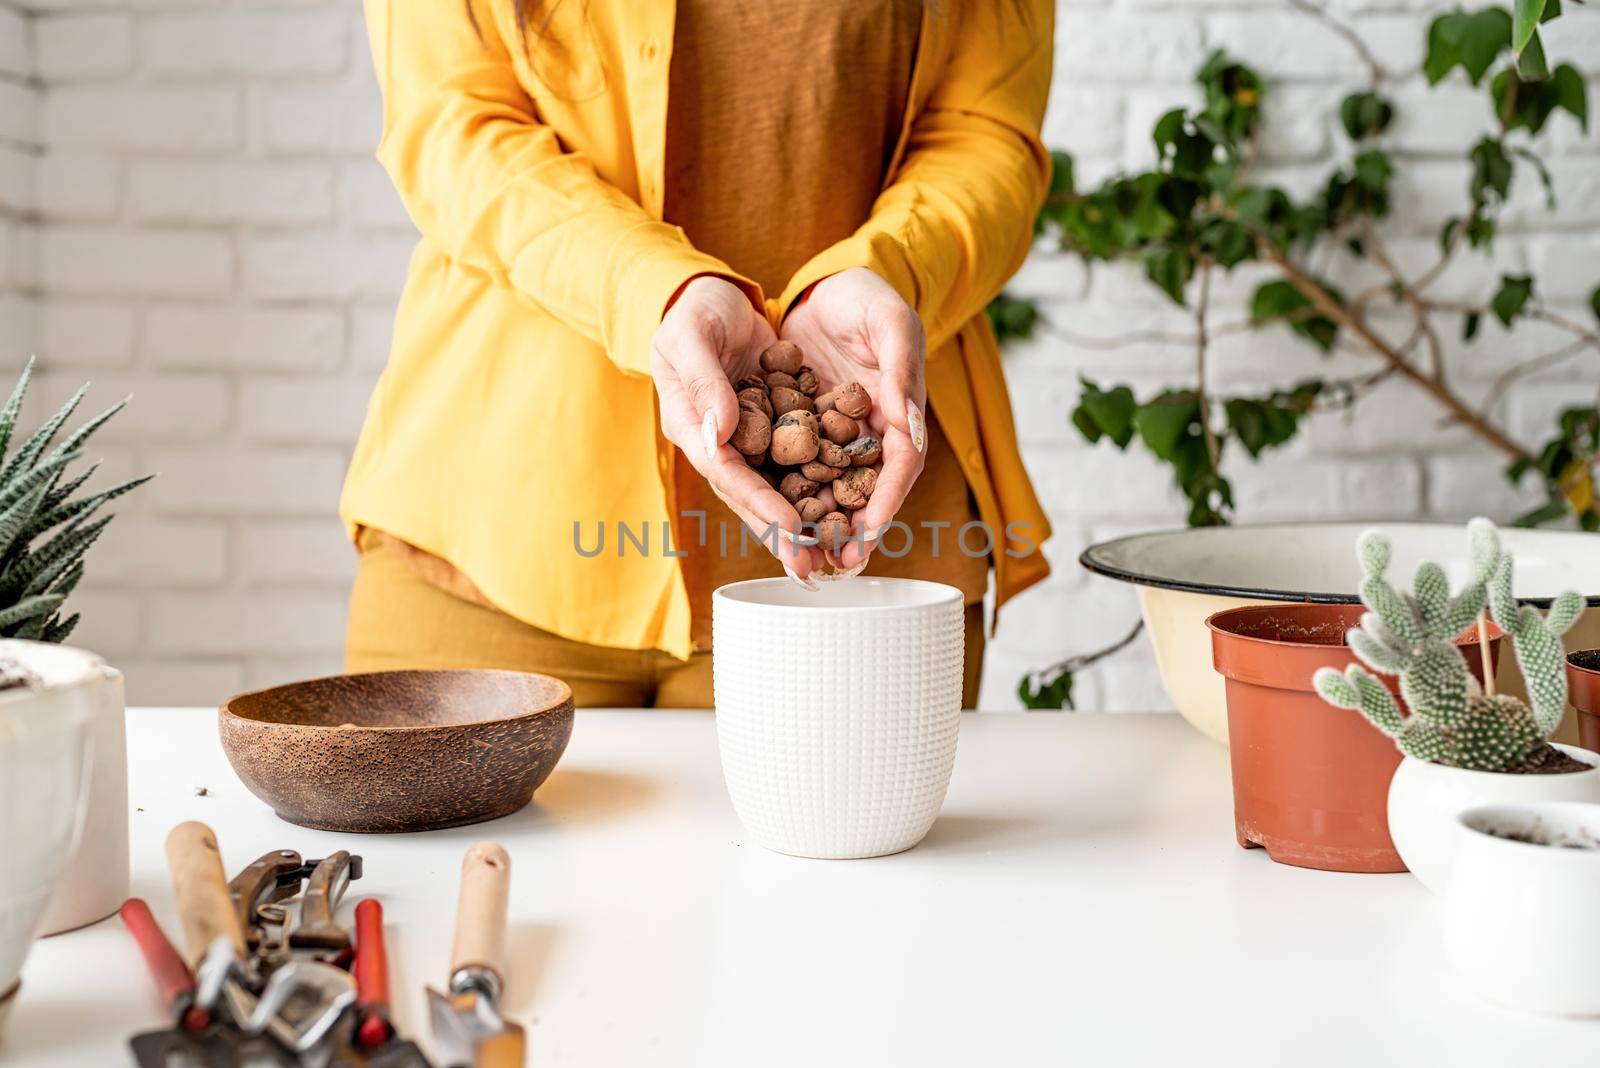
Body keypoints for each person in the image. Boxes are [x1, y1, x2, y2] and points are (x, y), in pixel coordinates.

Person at [342, 0, 1055, 708]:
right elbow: (452, 126)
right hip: (496, 527)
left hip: (865, 568)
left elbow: (986, 136)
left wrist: (894, 267)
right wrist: (657, 289)